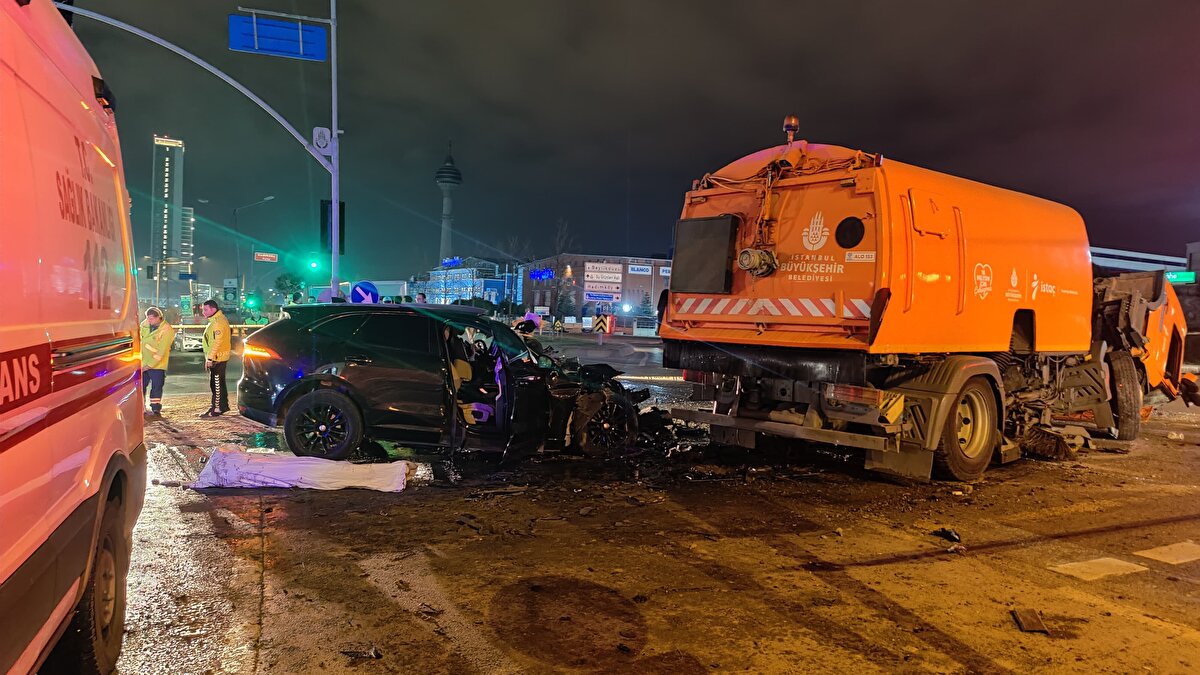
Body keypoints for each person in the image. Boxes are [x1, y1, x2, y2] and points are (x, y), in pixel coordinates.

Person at [140, 306, 175, 419]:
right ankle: (141, 407)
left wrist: (149, 365)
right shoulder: (145, 325)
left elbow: (161, 351)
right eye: (147, 318)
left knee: (156, 387)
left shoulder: (167, 330)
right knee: (141, 387)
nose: (149, 321)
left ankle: (155, 408)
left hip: (157, 365)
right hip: (143, 362)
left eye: (151, 319)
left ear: (158, 318)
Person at [200, 299, 232, 417]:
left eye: (205, 309)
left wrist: (210, 358)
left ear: (213, 309)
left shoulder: (217, 322)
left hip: (217, 358)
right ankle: (222, 406)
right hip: (218, 356)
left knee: (216, 384)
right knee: (219, 383)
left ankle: (217, 408)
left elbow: (216, 342)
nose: (203, 312)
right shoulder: (217, 320)